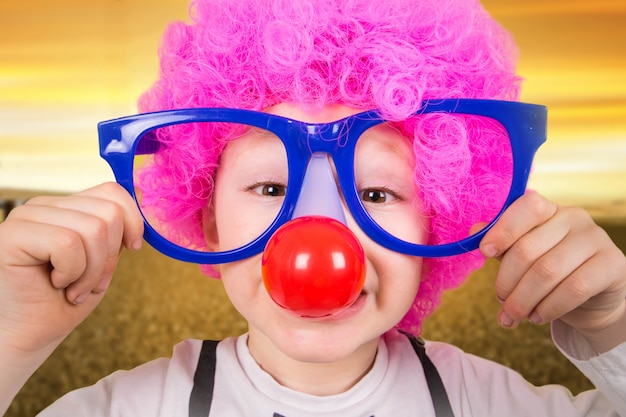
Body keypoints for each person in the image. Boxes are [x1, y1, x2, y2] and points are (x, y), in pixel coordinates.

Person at [1, 0, 625, 415]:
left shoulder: (486, 403)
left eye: (377, 194)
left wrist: (616, 326)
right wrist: (9, 336)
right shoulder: (137, 408)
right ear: (211, 220)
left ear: (438, 214)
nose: (317, 233)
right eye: (271, 188)